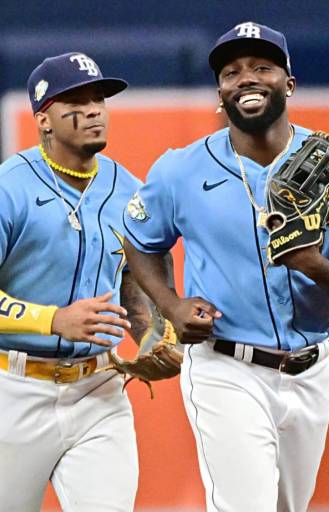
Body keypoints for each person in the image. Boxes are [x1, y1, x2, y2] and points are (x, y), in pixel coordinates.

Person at [122, 21, 329, 512]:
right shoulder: (181, 170)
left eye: (261, 67)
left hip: (310, 368)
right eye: (231, 72)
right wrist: (169, 306)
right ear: (220, 93)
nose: (246, 79)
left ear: (289, 84)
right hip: (225, 366)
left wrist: (313, 264)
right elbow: (139, 240)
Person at [0, 53, 155, 511]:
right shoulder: (9, 187)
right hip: (14, 388)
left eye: (98, 99)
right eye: (76, 102)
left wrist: (153, 338)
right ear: (43, 119)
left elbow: (133, 283)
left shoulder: (129, 190)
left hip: (98, 390)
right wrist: (52, 320)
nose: (93, 111)